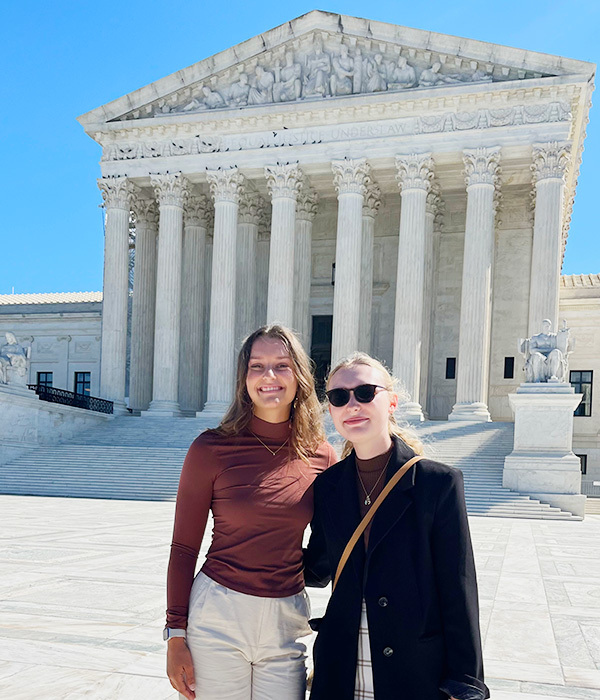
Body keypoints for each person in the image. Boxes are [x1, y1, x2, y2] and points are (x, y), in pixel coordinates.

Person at [165, 324, 338, 700]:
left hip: (286, 619)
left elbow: (333, 549)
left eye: (281, 365)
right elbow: (183, 549)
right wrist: (175, 634)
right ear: (244, 378)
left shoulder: (323, 456)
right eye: (257, 366)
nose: (269, 376)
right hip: (218, 615)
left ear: (300, 376)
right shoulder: (210, 449)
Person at [304, 352, 489, 700]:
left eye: (365, 393)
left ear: (391, 401)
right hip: (341, 670)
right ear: (330, 409)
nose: (352, 404)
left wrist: (467, 683)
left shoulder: (438, 483)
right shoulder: (328, 486)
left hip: (414, 672)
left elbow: (458, 588)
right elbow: (317, 567)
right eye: (339, 397)